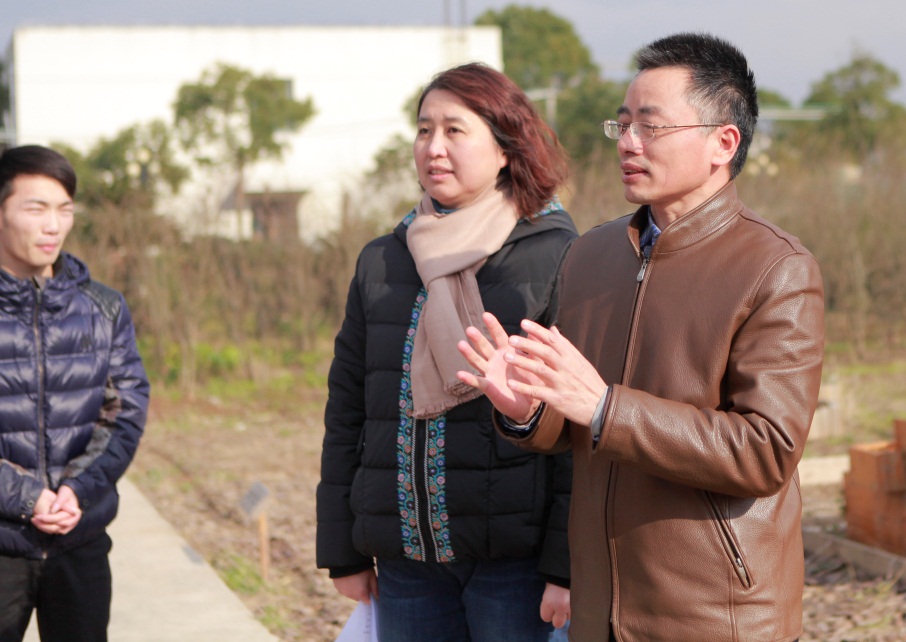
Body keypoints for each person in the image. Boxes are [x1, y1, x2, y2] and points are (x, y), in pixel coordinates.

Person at [459, 33, 826, 642]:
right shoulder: (590, 255)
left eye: (650, 126)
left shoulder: (776, 268)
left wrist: (607, 408)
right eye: (622, 124)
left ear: (723, 142)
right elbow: (575, 420)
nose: (628, 142)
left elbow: (766, 451)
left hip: (716, 615)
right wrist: (529, 412)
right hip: (600, 606)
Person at [317, 63, 578, 642]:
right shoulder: (384, 259)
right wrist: (342, 549)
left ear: (506, 148)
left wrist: (564, 565)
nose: (433, 147)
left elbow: (576, 430)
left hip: (514, 565)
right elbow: (348, 410)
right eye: (423, 130)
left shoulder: (557, 256)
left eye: (455, 130)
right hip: (407, 561)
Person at [0, 145, 150, 642]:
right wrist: (27, 498)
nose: (53, 226)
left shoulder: (103, 308)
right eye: (36, 209)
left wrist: (77, 490)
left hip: (80, 541)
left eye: (65, 210)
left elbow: (123, 414)